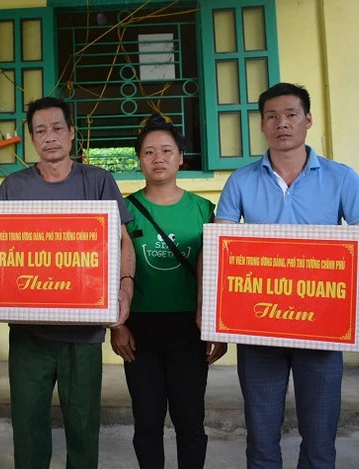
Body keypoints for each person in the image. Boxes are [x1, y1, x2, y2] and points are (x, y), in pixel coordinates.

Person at [215, 82, 359, 468]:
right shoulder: (240, 181)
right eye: (272, 116)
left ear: (308, 120)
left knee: (320, 437)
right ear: (261, 124)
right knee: (261, 438)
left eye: (291, 114)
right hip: (258, 326)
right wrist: (208, 316)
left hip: (323, 327)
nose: (282, 123)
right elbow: (217, 251)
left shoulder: (341, 177)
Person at [0, 96, 136, 468]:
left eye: (57, 128)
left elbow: (122, 241)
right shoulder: (13, 188)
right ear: (32, 139)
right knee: (27, 426)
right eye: (40, 130)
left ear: (72, 133)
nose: (49, 136)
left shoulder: (98, 181)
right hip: (28, 334)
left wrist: (124, 288)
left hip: (83, 334)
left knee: (84, 428)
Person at [110, 114, 227, 468]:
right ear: (139, 160)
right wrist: (116, 325)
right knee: (147, 422)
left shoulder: (204, 210)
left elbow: (221, 273)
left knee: (190, 421)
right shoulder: (123, 211)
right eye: (148, 152)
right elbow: (106, 270)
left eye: (166, 150)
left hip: (190, 329)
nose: (157, 158)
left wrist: (218, 328)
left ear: (180, 157)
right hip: (139, 330)